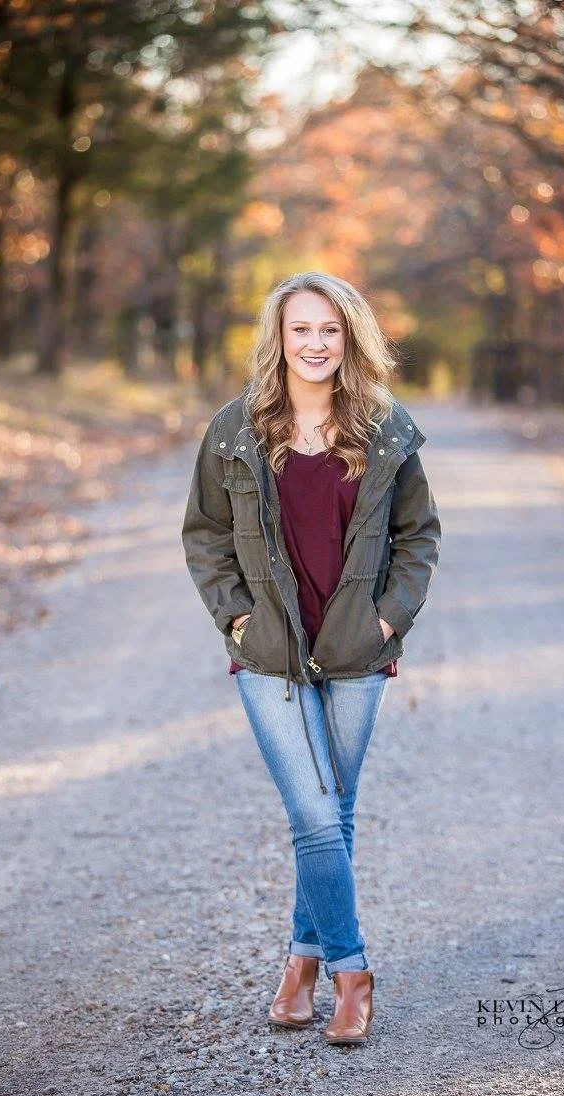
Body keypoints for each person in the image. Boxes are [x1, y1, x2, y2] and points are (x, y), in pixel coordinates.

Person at [181, 271, 441, 1046]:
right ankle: (351, 973)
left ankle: (298, 961)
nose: (316, 344)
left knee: (331, 813)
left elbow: (418, 535)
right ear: (280, 338)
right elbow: (205, 534)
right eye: (301, 329)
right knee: (316, 815)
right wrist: (234, 617)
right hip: (269, 655)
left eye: (330, 329)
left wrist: (391, 619)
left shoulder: (386, 429)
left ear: (349, 338)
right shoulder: (235, 430)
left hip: (359, 650)